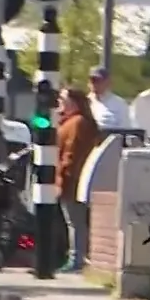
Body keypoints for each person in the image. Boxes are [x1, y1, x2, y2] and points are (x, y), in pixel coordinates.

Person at [55, 89, 98, 273]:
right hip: (71, 180)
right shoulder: (72, 122)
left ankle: (77, 258)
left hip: (72, 181)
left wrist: (64, 177)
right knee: (74, 221)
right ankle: (76, 256)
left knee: (75, 222)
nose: (60, 102)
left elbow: (71, 153)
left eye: (63, 99)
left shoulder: (77, 123)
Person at [86, 66, 133, 132]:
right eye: (92, 81)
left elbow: (126, 129)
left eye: (98, 81)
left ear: (108, 82)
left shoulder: (120, 104)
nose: (95, 84)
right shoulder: (84, 102)